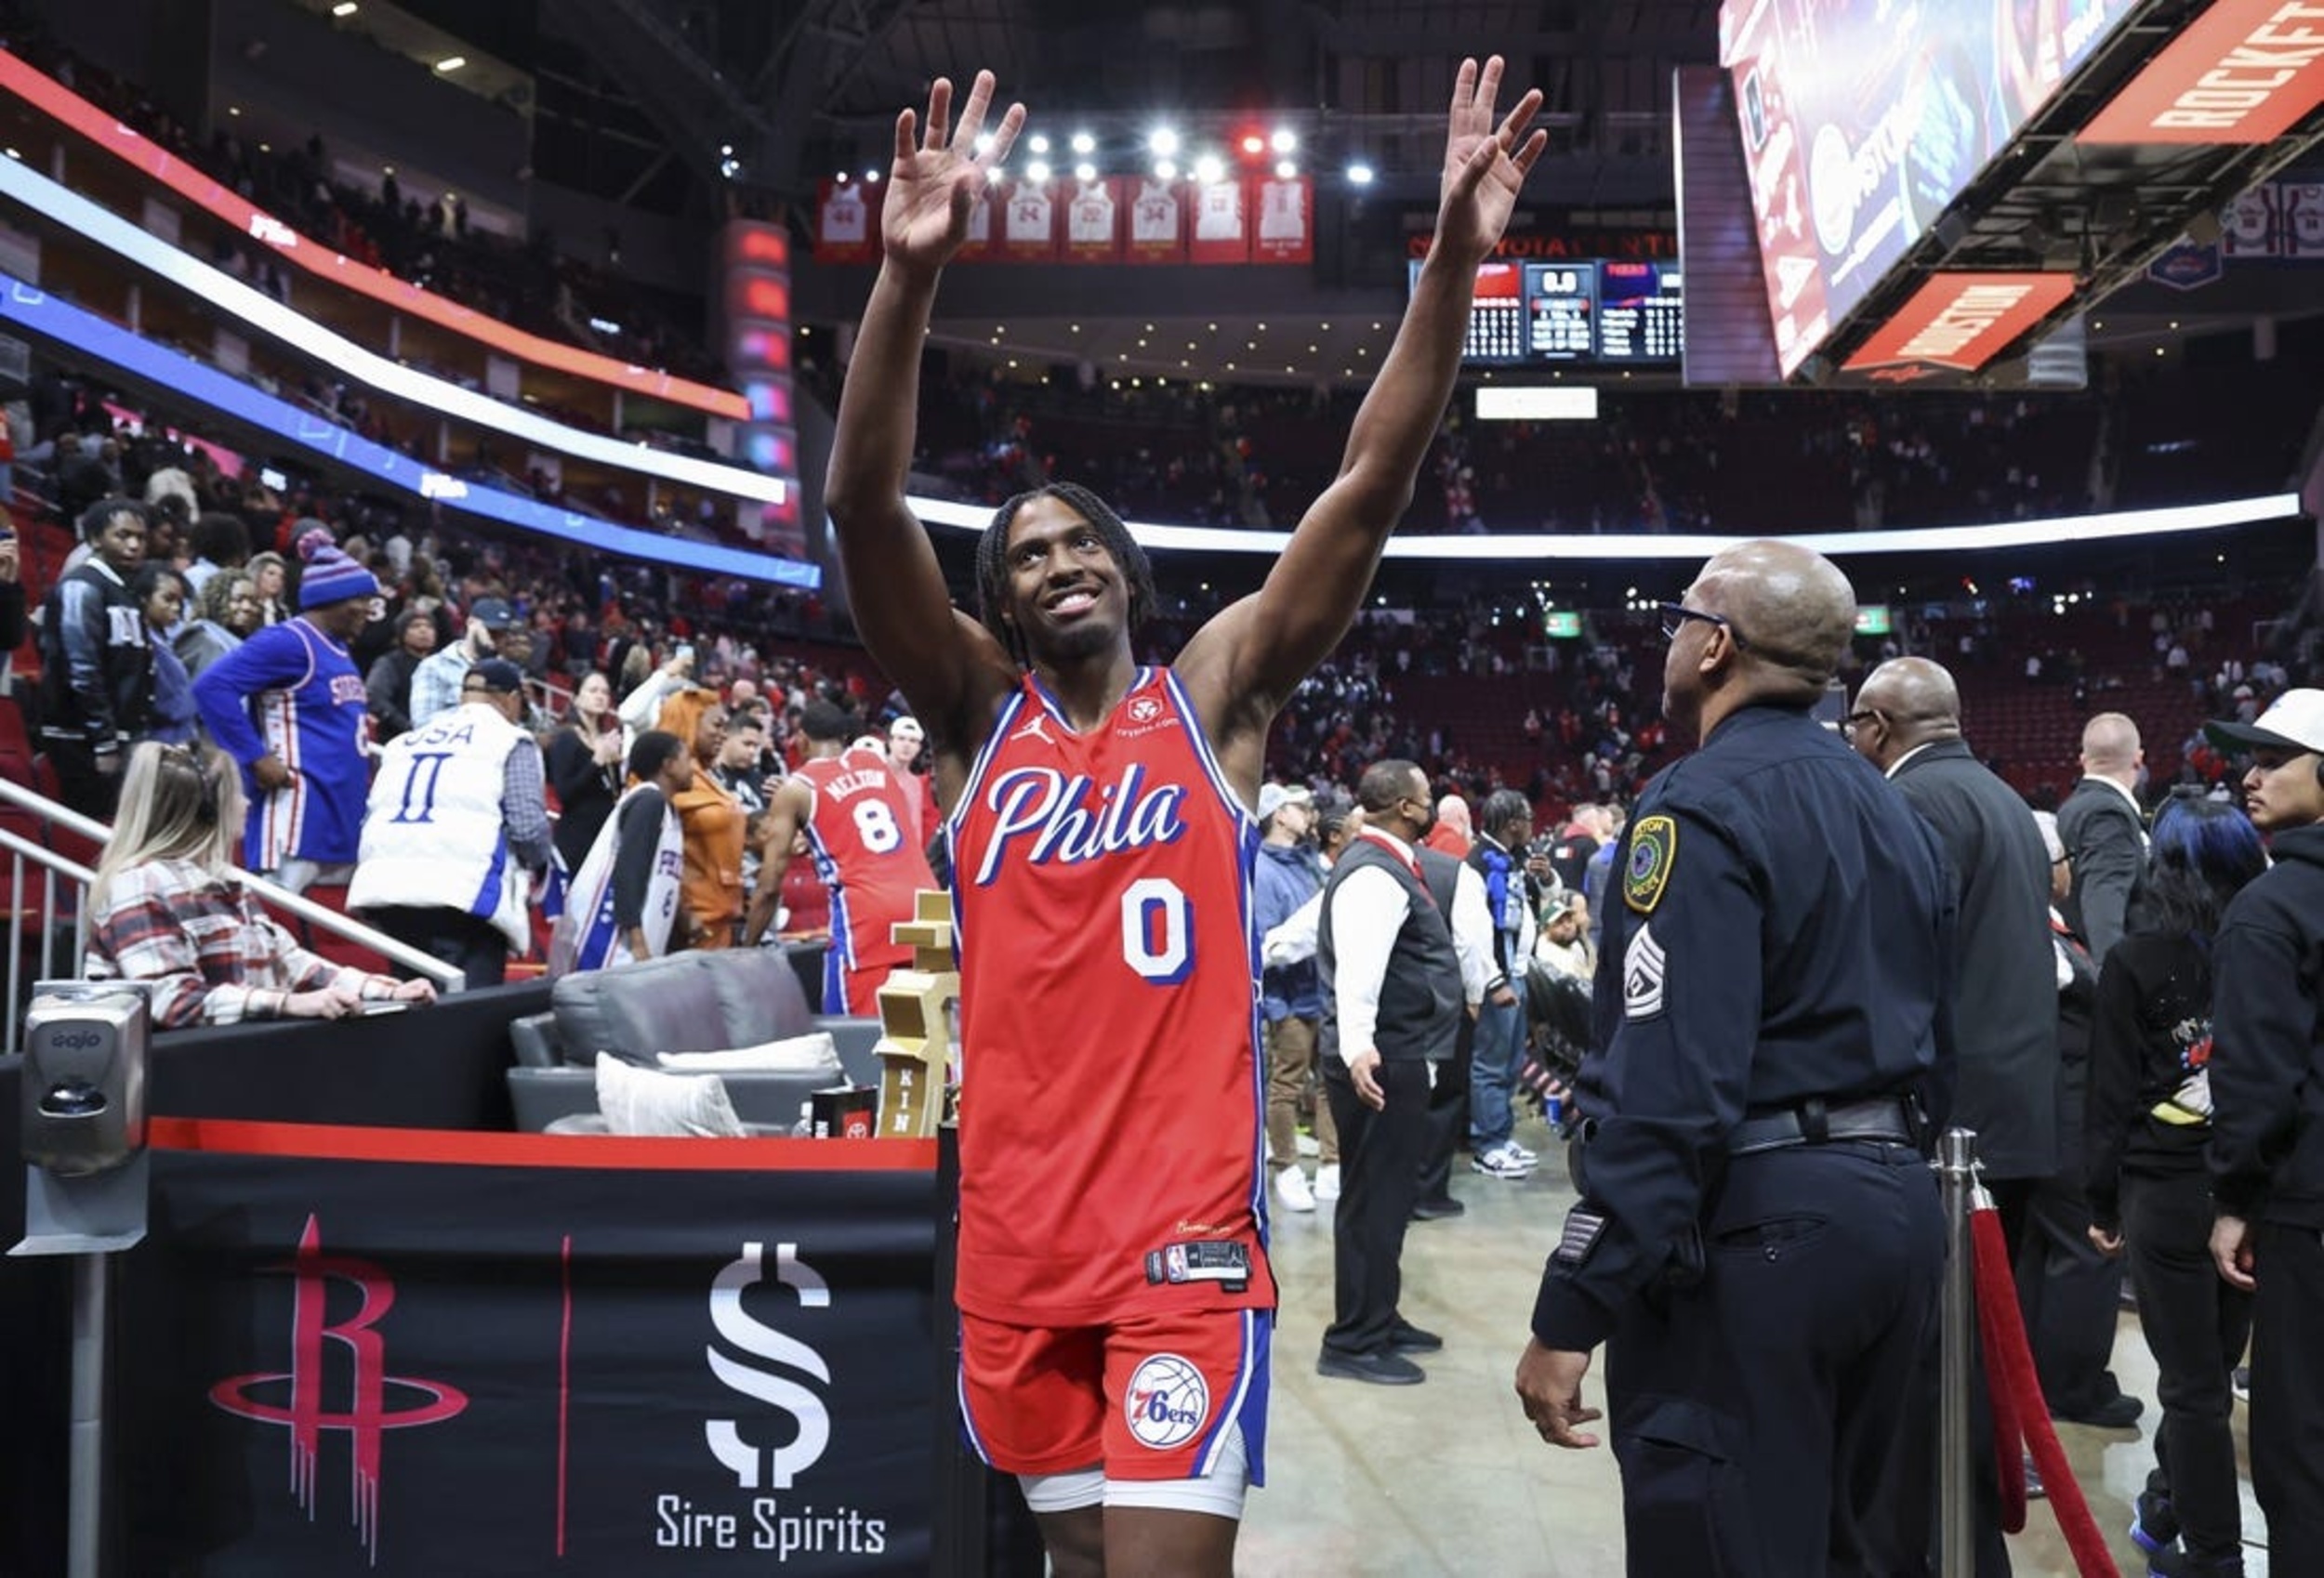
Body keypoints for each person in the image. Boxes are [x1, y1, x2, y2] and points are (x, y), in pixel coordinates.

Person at [822, 59, 1542, 1574]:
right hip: (1014, 1239)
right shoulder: (974, 719)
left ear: (1129, 575)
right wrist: (906, 280)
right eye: (1025, 551)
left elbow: (1371, 473)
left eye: (1084, 541)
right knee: (1076, 1563)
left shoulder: (1213, 696)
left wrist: (1456, 263)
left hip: (1181, 1246)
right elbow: (862, 507)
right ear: (997, 600)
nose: (1057, 559)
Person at [1515, 542, 1956, 1578]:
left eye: (1678, 620)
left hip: (1757, 1228)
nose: (1668, 639)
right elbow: (1945, 1034)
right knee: (1863, 1547)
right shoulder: (1894, 807)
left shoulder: (1696, 805)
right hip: (1896, 1211)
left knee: (1721, 1542)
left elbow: (1674, 1087)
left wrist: (1575, 1305)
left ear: (1713, 644)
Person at [2084, 796, 2266, 1578]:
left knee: (2193, 1386)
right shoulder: (2269, 944)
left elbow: (2109, 1096)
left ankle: (2214, 1556)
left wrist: (2098, 1201)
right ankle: (2164, 1505)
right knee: (2208, 1375)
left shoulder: (2134, 959)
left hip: (2165, 1191)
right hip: (2249, 1188)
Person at [2201, 690, 2324, 1565]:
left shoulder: (2269, 908)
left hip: (2306, 1208)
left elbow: (2257, 1079)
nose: (2249, 776)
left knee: (2300, 1446)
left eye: (2274, 759)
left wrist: (2235, 1197)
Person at [84, 742, 436, 1027]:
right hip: (170, 1085)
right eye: (236, 795)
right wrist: (288, 1004)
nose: (247, 803)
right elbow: (172, 1000)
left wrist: (387, 991)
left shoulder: (225, 882)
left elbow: (292, 963)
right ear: (205, 812)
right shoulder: (138, 882)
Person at [1316, 759, 1465, 1386]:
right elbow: (1359, 971)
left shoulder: (1380, 863)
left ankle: (1381, 1314)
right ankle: (1354, 1340)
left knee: (1389, 1199)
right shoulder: (1374, 874)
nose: (1431, 803)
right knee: (1373, 1203)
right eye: (1427, 796)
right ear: (1406, 807)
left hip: (1391, 1054)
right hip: (1378, 1060)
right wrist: (1358, 1050)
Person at [191, 533, 376, 894]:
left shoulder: (336, 648)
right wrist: (254, 756)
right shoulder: (287, 641)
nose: (369, 609)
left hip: (337, 810)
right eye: (362, 599)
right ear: (333, 599)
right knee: (274, 919)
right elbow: (211, 688)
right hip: (296, 812)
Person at [739, 699, 933, 1010]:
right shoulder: (876, 765)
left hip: (869, 913)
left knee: (860, 1040)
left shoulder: (798, 788)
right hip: (926, 904)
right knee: (922, 1039)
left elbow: (770, 883)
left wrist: (746, 947)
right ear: (846, 738)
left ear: (801, 740)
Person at [34, 497, 153, 820]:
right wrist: (104, 741)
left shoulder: (124, 590)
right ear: (96, 538)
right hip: (80, 739)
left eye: (141, 538)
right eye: (123, 535)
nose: (133, 545)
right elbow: (82, 669)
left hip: (117, 735)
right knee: (88, 835)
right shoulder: (81, 587)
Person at [549, 730, 690, 975]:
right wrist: (637, 940)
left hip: (630, 938)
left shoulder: (666, 809)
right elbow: (629, 870)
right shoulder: (649, 802)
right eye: (687, 759)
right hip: (608, 937)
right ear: (668, 765)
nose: (692, 768)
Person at [1254, 782, 1334, 1212]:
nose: (1307, 812)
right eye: (1297, 807)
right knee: (1287, 1083)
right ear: (1278, 815)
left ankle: (1330, 1164)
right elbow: (1266, 945)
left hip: (1319, 989)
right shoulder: (1263, 870)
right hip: (1289, 997)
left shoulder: (1306, 864)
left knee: (1327, 1082)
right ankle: (1285, 1168)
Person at [1467, 788, 1541, 1180]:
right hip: (1499, 978)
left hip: (1518, 971)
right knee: (1491, 1064)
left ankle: (1502, 1133)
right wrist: (1495, 980)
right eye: (1528, 818)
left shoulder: (1514, 859)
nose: (1532, 826)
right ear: (1513, 822)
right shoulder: (1479, 862)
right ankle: (1487, 1144)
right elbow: (1473, 933)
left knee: (1511, 1062)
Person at [654, 685, 746, 949]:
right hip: (687, 925)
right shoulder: (665, 778)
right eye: (716, 725)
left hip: (721, 917)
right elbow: (657, 852)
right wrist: (684, 915)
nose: (723, 734)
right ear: (690, 722)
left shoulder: (707, 777)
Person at [2059, 712, 2148, 963]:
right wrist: (2116, 990)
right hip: (2110, 977)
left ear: (2083, 760)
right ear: (2139, 759)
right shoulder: (2108, 816)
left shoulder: (2069, 809)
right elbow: (2103, 912)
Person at [545, 670, 626, 875]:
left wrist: (615, 763)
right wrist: (597, 761)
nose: (600, 696)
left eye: (605, 692)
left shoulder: (605, 739)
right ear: (576, 697)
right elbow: (565, 793)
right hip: (575, 838)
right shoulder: (567, 737)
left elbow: (612, 792)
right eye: (593, 690)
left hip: (602, 839)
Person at [364, 606, 438, 743]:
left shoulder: (442, 664)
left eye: (429, 626)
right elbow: (375, 698)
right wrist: (407, 726)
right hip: (398, 741)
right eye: (415, 626)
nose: (424, 630)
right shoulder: (389, 663)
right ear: (402, 634)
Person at [174, 571, 262, 683]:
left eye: (253, 602)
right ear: (217, 600)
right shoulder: (201, 638)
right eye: (238, 600)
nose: (247, 607)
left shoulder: (248, 640)